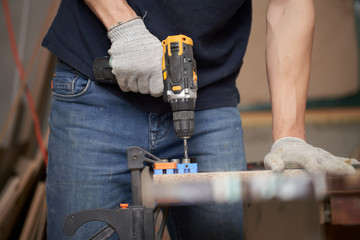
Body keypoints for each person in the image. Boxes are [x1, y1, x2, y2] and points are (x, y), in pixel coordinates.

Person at [42, 0, 359, 239]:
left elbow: (289, 5)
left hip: (208, 98)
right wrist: (124, 27)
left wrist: (290, 135)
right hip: (98, 92)